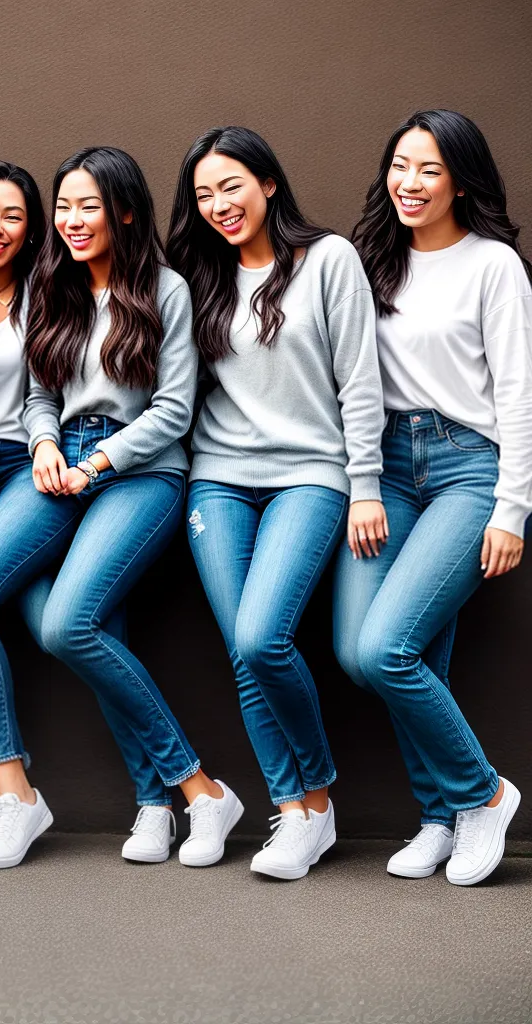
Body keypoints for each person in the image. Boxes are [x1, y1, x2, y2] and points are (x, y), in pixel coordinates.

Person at [0, 146, 241, 869]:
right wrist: (45, 446)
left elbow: (173, 410)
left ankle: (193, 791)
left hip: (141, 474)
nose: (71, 221)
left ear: (125, 212)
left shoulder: (164, 290)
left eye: (89, 206)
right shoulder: (56, 285)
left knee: (71, 623)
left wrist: (98, 462)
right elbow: (41, 393)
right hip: (58, 465)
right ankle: (33, 800)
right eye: (65, 206)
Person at [166, 126, 386, 879]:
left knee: (263, 638)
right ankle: (291, 812)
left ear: (267, 182)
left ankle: (317, 803)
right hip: (217, 479)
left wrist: (366, 486)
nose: (219, 205)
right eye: (203, 196)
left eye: (230, 186)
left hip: (311, 477)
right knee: (243, 652)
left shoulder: (328, 261)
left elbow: (361, 382)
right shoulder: (198, 276)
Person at [334, 110, 529, 885]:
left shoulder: (493, 266)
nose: (410, 184)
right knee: (364, 651)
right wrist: (361, 481)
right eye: (401, 166)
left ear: (460, 181)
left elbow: (518, 395)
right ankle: (441, 817)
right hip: (384, 469)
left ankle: (481, 796)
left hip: (465, 468)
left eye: (430, 170)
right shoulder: (369, 260)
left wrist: (512, 508)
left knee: (390, 647)